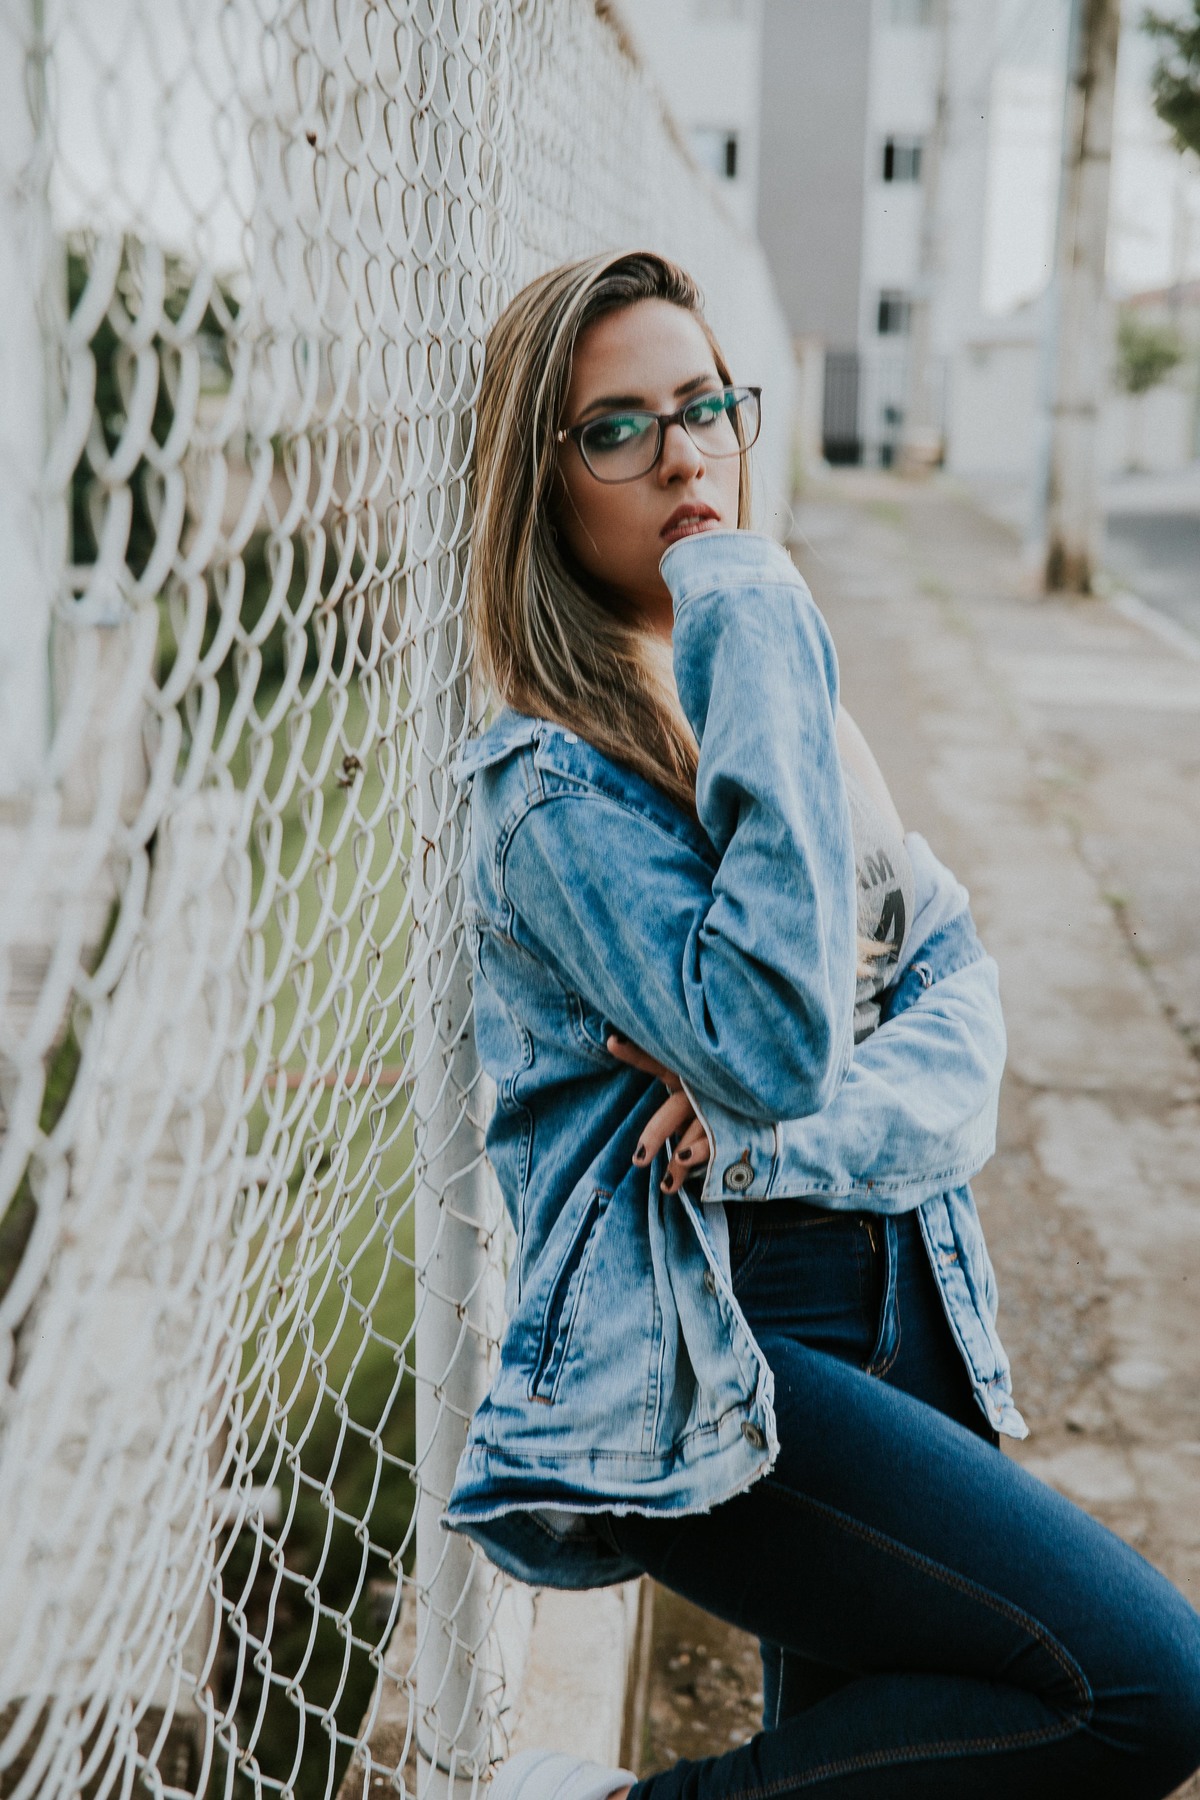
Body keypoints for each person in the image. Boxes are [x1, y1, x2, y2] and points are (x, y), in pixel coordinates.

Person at [442, 250, 1200, 1800]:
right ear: (543, 480)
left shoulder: (775, 717)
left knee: (895, 1757)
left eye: (707, 404)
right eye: (619, 428)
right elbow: (787, 1033)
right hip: (722, 1341)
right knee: (1141, 1687)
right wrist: (755, 596)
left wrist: (790, 1120)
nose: (686, 454)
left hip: (906, 1269)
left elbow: (959, 999)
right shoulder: (554, 792)